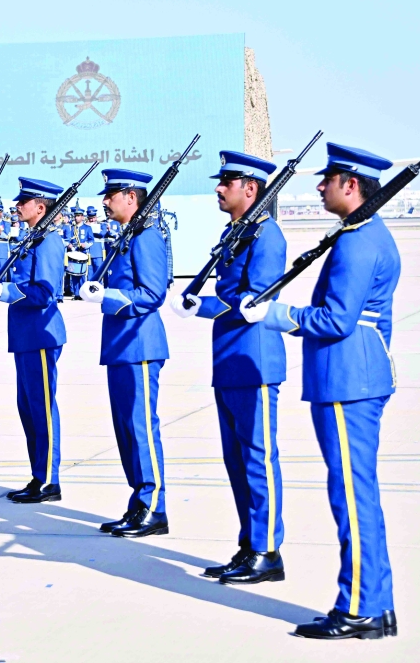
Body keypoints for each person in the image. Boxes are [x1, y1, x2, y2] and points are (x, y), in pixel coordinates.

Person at [242, 143, 400, 640]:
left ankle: (358, 609)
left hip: (346, 378)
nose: (319, 186)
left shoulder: (357, 242)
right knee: (359, 495)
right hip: (354, 374)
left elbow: (336, 320)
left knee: (351, 498)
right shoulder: (363, 233)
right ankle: (377, 602)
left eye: (327, 179)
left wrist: (274, 315)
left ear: (351, 185)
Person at [170, 151, 288, 585]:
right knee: (236, 461)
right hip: (229, 360)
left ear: (251, 189)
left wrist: (209, 306)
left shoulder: (266, 236)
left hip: (254, 360)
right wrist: (198, 305)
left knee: (258, 459)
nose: (218, 188)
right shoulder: (237, 232)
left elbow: (254, 300)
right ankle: (249, 544)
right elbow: (229, 298)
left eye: (227, 182)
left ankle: (268, 550)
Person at [79, 169, 170, 537]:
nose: (104, 201)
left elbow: (152, 294)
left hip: (140, 344)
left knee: (141, 427)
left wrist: (108, 296)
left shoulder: (147, 238)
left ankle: (154, 506)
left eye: (111, 195)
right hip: (120, 345)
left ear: (131, 198)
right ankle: (139, 502)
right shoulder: (126, 237)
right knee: (125, 430)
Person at [0, 177, 67, 502]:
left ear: (41, 207)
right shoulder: (32, 239)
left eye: (24, 201)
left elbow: (44, 292)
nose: (18, 206)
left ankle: (49, 480)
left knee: (42, 408)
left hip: (40, 335)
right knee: (28, 408)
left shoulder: (48, 243)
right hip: (25, 336)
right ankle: (38, 475)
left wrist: (4, 292)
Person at [66, 206, 93, 299]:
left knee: (82, 274)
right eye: (75, 216)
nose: (76, 218)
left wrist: (85, 245)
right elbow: (68, 238)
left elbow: (91, 240)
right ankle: (76, 294)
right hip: (74, 252)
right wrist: (69, 245)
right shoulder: (72, 228)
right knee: (74, 273)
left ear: (82, 217)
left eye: (78, 216)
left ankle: (82, 294)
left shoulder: (87, 228)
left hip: (83, 253)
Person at [87, 206, 107, 282]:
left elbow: (102, 234)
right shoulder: (85, 226)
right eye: (90, 218)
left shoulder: (102, 225)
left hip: (98, 252)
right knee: (89, 273)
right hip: (88, 252)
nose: (92, 220)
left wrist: (91, 229)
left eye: (93, 218)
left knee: (98, 272)